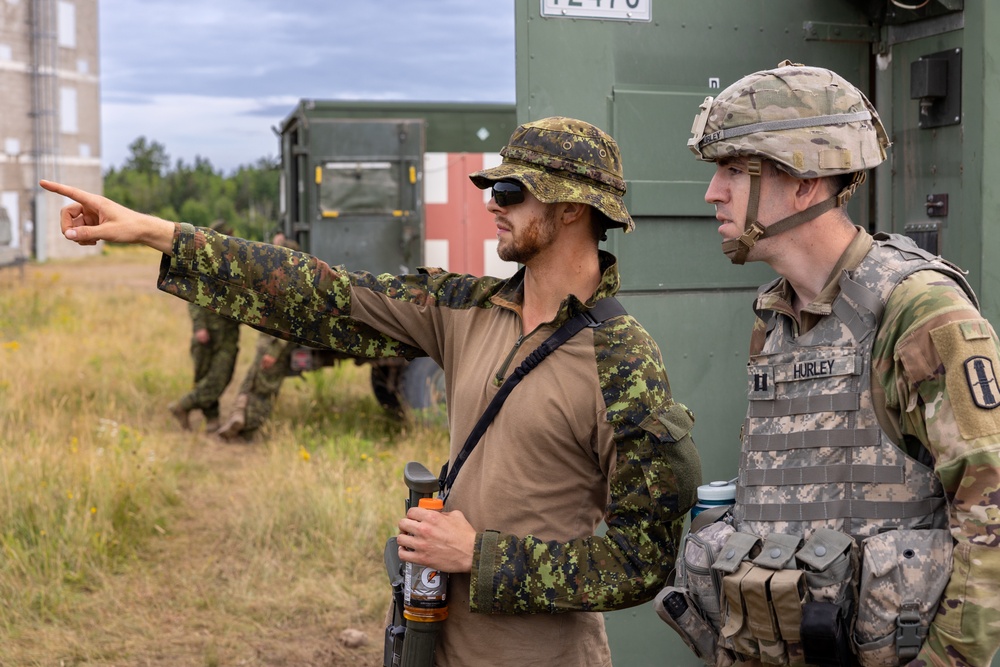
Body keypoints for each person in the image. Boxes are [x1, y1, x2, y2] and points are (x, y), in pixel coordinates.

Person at [41, 116, 703, 666]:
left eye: (510, 190)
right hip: (430, 642)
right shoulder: (464, 307)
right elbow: (322, 294)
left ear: (569, 208)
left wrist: (479, 555)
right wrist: (158, 232)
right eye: (494, 188)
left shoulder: (623, 358)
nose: (492, 203)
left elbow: (644, 556)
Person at [679, 61, 1000, 667]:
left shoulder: (918, 310)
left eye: (733, 170)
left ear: (804, 182)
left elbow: (993, 520)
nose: (713, 193)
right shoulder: (774, 318)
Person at [216, 235, 300, 442]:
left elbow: (289, 325)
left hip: (273, 347)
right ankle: (239, 420)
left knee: (263, 389)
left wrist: (273, 352)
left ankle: (246, 430)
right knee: (252, 383)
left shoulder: (290, 287)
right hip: (266, 345)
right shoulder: (280, 281)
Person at [168, 217, 240, 432]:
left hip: (228, 333)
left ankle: (186, 407)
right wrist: (199, 327)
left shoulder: (232, 264)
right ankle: (208, 418)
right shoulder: (201, 265)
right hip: (207, 333)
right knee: (206, 376)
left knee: (221, 376)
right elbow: (192, 298)